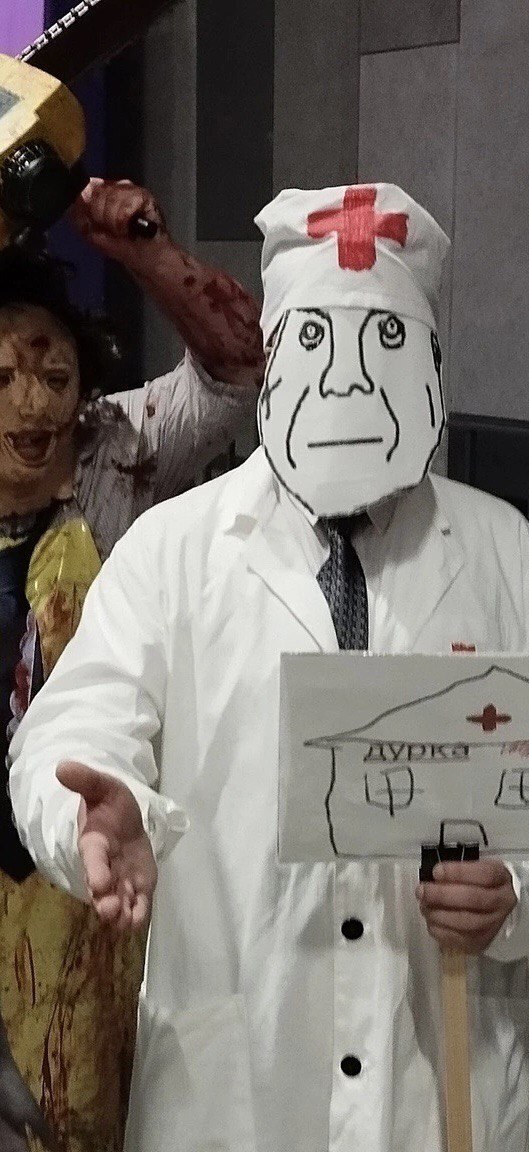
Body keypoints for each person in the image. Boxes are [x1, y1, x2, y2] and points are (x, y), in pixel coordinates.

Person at [9, 183, 529, 1152]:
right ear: (275, 361)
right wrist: (91, 813)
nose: (351, 385)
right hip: (236, 1076)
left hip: (435, 1071)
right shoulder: (175, 552)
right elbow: (73, 726)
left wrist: (521, 889)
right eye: (315, 345)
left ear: (432, 366)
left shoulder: (500, 554)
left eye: (386, 345)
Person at [0, 177, 263, 1150]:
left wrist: (145, 247)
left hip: (79, 855)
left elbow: (240, 367)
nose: (32, 404)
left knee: (73, 1105)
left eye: (54, 375)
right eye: (1, 378)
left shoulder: (117, 452)